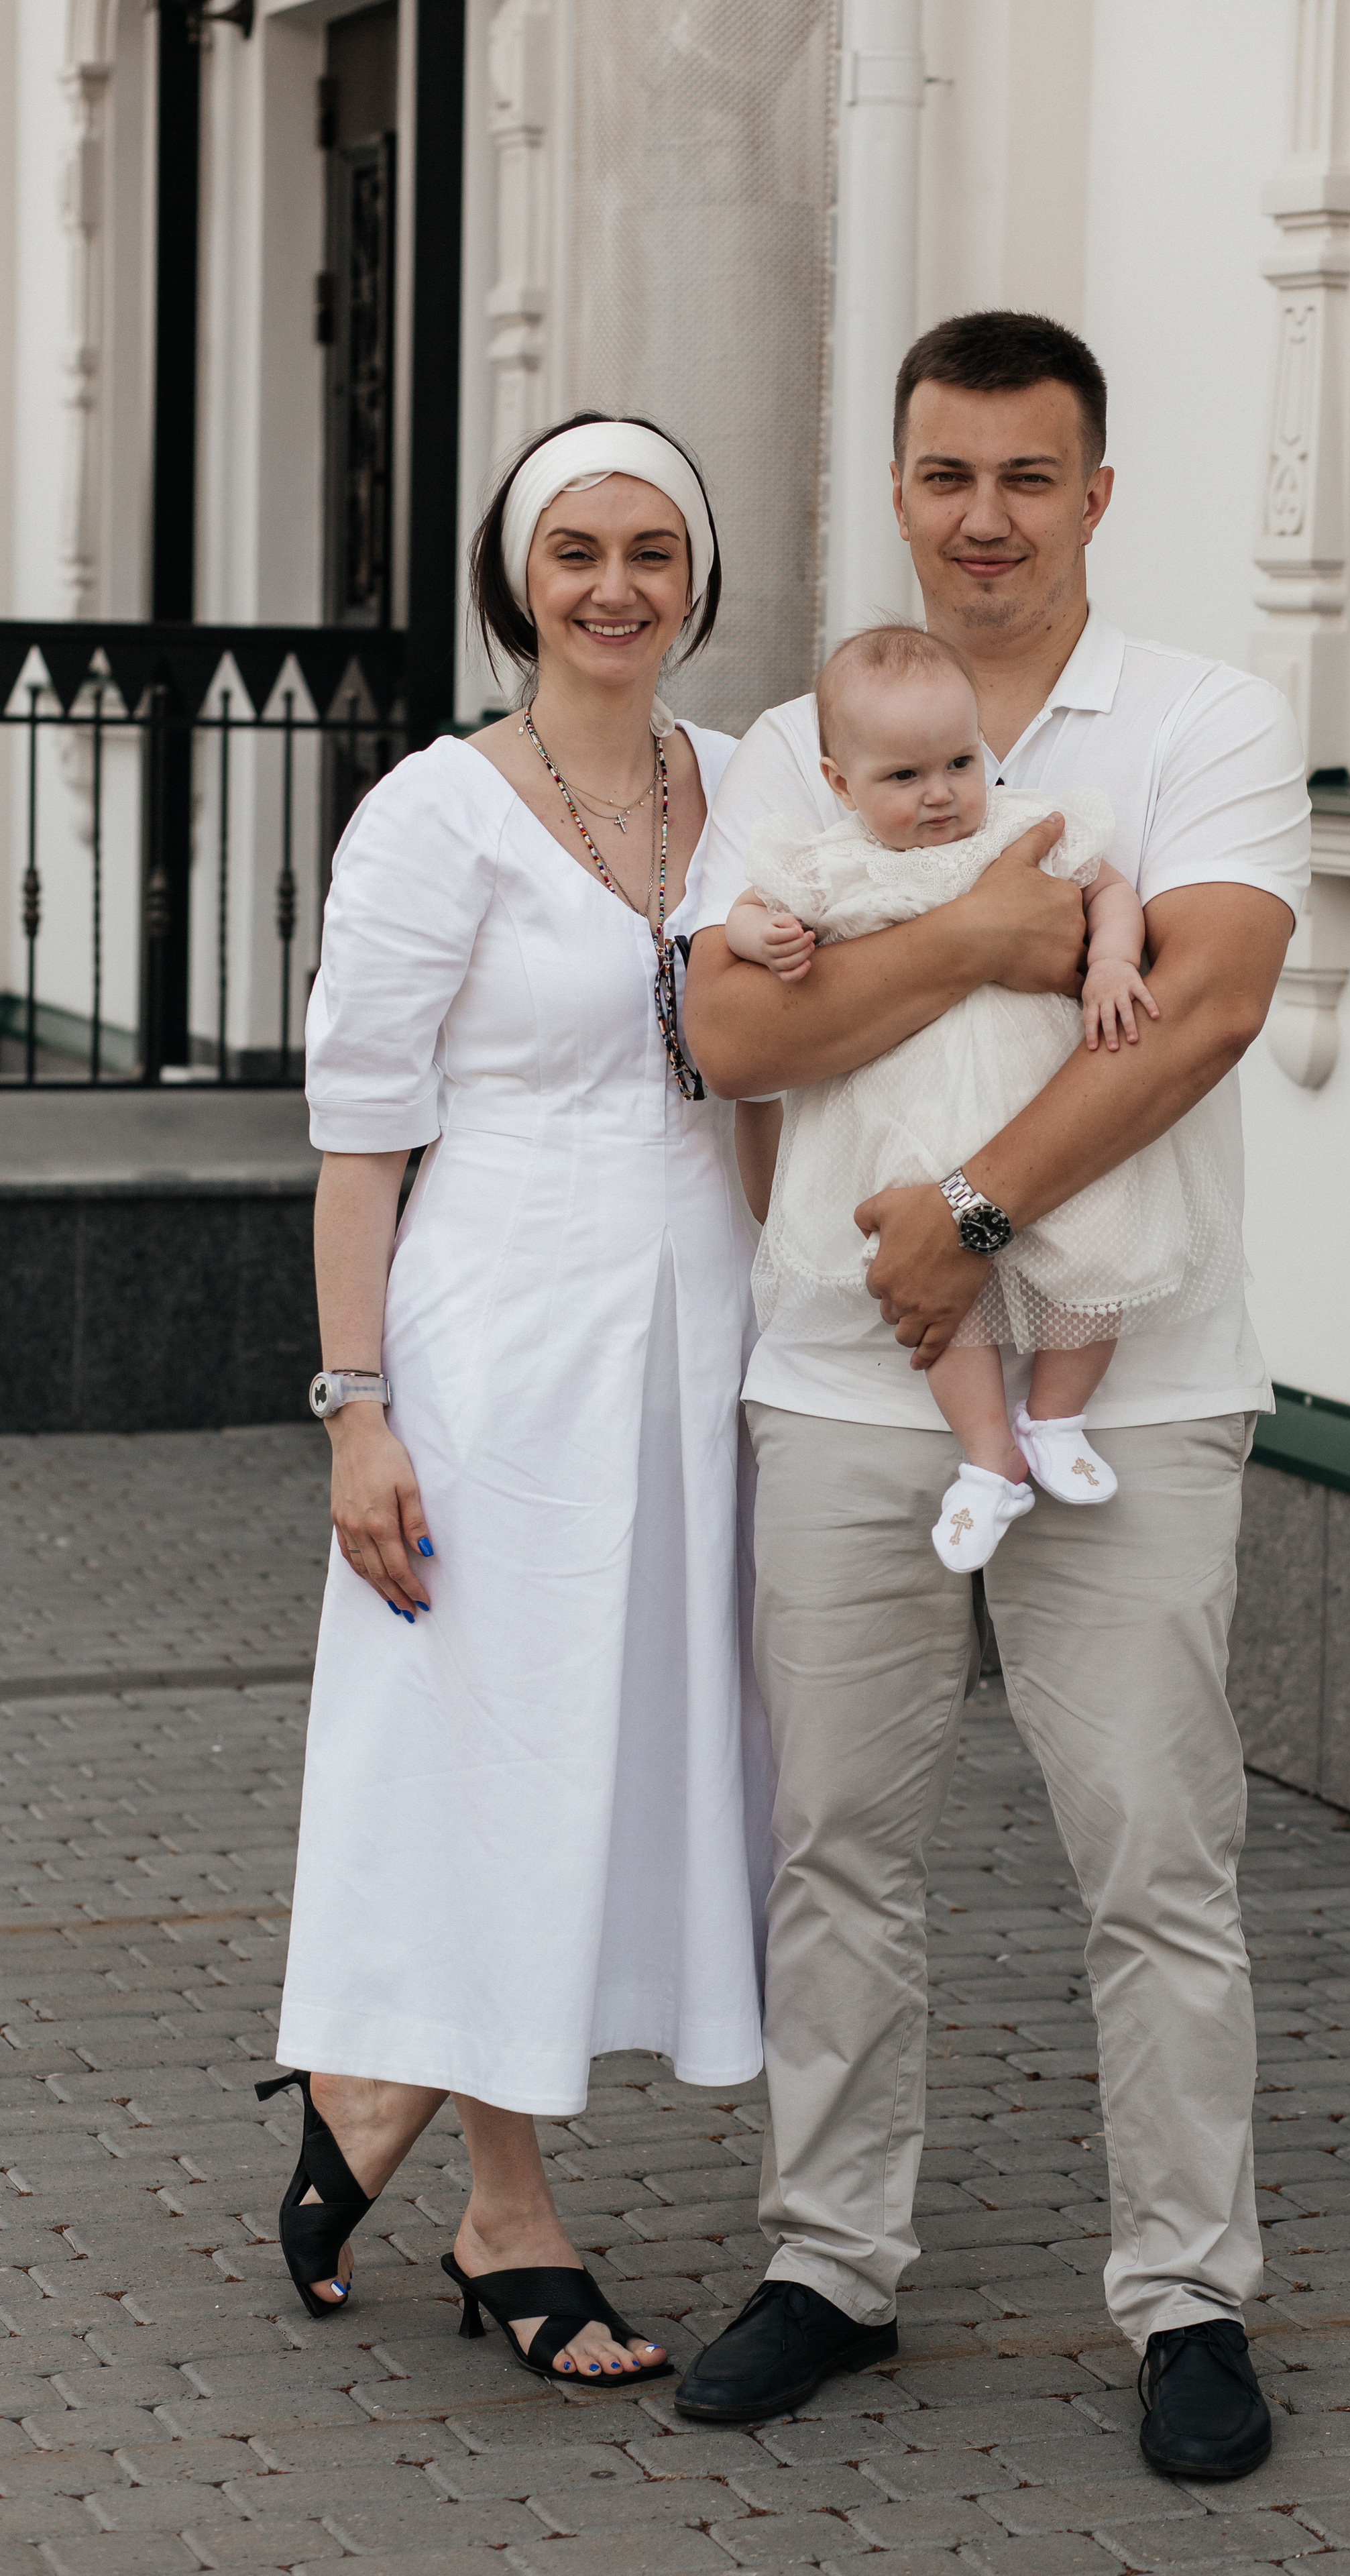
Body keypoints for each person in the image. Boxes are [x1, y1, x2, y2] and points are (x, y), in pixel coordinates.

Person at [676, 312, 1309, 2483]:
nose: (984, 517)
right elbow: (735, 1045)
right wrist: (976, 941)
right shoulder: (791, 740)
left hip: (1134, 1377)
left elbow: (1204, 1005)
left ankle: (1190, 2297)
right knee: (837, 1840)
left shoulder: (1205, 719)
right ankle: (832, 2257)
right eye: (946, 475)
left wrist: (966, 1214)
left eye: (1029, 477)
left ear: (1097, 494)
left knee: (1154, 1846)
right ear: (900, 488)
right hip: (833, 1379)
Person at [263, 413, 771, 2390]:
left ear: (699, 577)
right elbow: (362, 1146)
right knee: (498, 1749)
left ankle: (365, 2093)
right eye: (577, 550)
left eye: (655, 548)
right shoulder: (435, 813)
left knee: (635, 1746)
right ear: (516, 578)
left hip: (695, 1333)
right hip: (491, 1340)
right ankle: (506, 2209)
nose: (618, 585)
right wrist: (356, 1411)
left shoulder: (744, 792)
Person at [726, 623, 1240, 1575]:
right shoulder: (835, 861)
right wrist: (767, 940)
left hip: (1040, 1115)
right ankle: (990, 1455)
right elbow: (745, 918)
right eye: (903, 777)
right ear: (841, 785)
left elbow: (1108, 887)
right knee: (930, 1297)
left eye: (960, 763)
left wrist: (1114, 963)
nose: (939, 795)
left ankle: (1057, 1416)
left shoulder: (1025, 826)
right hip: (908, 1130)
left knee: (1102, 1250)